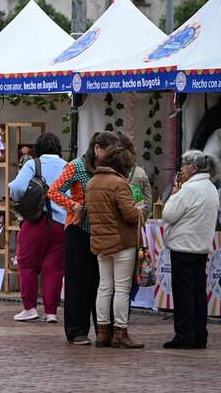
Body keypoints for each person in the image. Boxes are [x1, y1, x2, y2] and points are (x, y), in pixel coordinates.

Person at [48, 131, 124, 345]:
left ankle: (104, 329)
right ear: (97, 148)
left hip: (104, 231)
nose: (112, 157)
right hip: (79, 229)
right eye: (109, 152)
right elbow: (53, 191)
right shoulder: (76, 166)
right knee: (78, 282)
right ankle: (77, 330)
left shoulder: (113, 169)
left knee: (104, 282)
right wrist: (73, 205)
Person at [86, 136, 145, 349]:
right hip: (121, 243)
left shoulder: (92, 183)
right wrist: (139, 210)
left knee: (104, 287)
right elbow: (130, 215)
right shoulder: (119, 184)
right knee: (121, 288)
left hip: (100, 243)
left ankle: (102, 332)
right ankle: (120, 332)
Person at [161, 150, 220, 349]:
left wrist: (175, 194)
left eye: (183, 166)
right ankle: (199, 334)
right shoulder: (211, 187)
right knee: (198, 291)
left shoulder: (189, 189)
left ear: (193, 167)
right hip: (201, 247)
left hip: (183, 246)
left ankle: (184, 334)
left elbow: (168, 214)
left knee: (183, 292)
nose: (181, 171)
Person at [9, 132, 68, 323]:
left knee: (27, 264)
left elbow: (17, 187)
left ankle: (30, 308)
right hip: (61, 223)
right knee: (54, 268)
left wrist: (21, 201)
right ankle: (51, 312)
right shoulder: (67, 166)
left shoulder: (33, 164)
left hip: (36, 219)